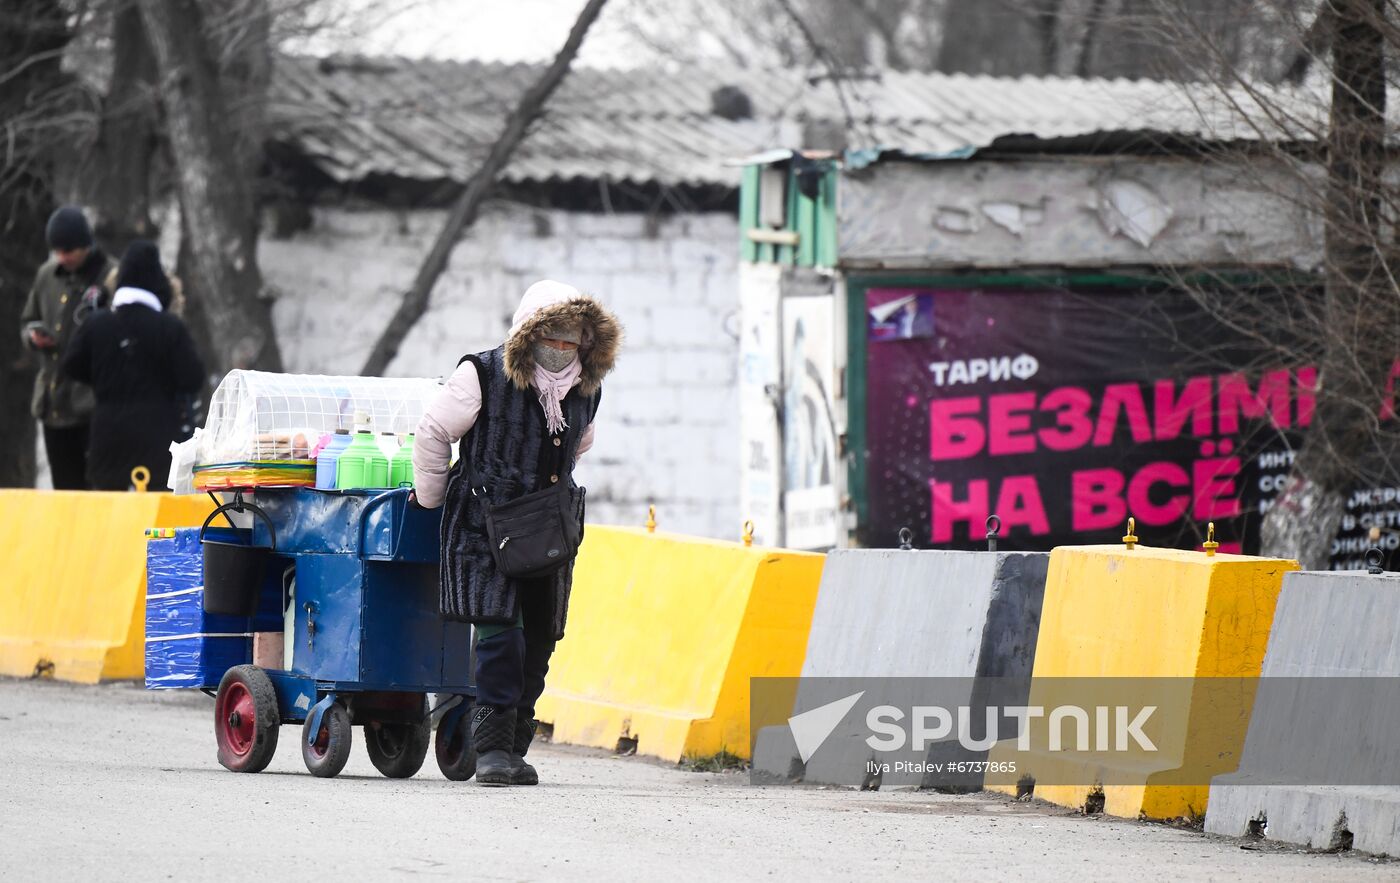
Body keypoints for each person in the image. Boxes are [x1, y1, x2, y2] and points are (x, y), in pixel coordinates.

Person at [413, 279, 621, 786]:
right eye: (552, 336)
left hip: (549, 531)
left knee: (541, 639)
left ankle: (515, 746)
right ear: (529, 334)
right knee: (500, 636)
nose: (561, 349)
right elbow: (434, 432)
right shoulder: (480, 374)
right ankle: (489, 754)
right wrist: (432, 500)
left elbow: (579, 444)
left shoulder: (586, 388)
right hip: (485, 528)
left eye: (572, 340)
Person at [60, 240, 205, 491]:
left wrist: (103, 374)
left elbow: (71, 364)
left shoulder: (97, 324)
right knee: (157, 526)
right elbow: (193, 378)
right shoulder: (169, 328)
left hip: (108, 442)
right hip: (159, 443)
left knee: (110, 521)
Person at [19, 206, 116, 489]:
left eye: (69, 250)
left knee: (96, 488)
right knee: (64, 490)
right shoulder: (46, 276)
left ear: (85, 245)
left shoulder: (109, 276)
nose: (63, 257)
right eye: (57, 251)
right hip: (53, 403)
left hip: (92, 406)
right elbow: (28, 319)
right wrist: (33, 337)